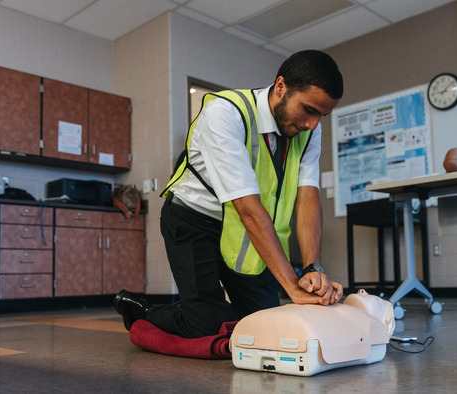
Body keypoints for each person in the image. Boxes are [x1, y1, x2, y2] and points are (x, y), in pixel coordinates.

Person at [114, 50, 344, 338]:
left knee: (267, 322)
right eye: (309, 110)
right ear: (281, 86)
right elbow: (248, 206)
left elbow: (307, 196)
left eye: (322, 115)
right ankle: (142, 311)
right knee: (204, 326)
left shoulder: (309, 130)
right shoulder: (225, 114)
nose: (313, 124)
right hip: (193, 218)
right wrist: (292, 285)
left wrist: (312, 268)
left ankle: (208, 309)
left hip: (242, 228)